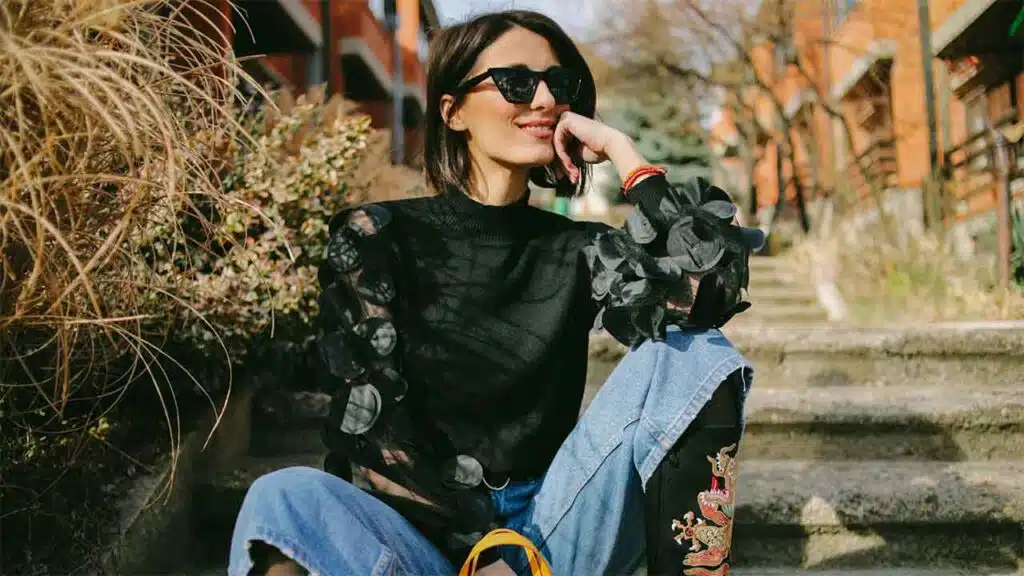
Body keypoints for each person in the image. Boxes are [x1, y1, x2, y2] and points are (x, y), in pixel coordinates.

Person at [229, 9, 764, 576]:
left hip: (551, 531)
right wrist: (479, 547)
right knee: (280, 499)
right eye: (515, 82)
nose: (542, 101)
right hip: (423, 538)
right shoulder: (376, 236)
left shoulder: (583, 249)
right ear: (453, 110)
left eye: (559, 86)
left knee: (695, 352)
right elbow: (373, 427)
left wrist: (627, 160)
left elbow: (710, 294)